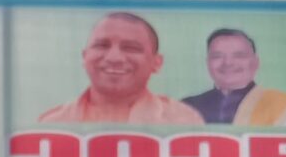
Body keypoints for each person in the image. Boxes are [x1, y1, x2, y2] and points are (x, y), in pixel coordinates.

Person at [37, 12, 201, 125]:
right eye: (102, 45)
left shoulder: (182, 120)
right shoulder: (53, 123)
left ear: (156, 63)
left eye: (131, 48)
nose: (114, 58)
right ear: (85, 57)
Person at [182, 29, 286, 126]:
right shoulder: (187, 107)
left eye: (239, 55)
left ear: (255, 63)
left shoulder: (282, 105)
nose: (228, 63)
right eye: (217, 56)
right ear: (208, 63)